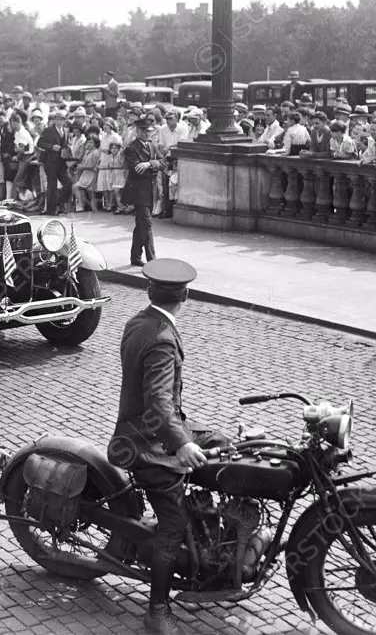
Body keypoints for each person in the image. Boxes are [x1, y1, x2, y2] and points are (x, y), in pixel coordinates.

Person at [107, 259, 233, 635]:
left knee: (227, 445)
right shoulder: (162, 337)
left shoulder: (140, 321)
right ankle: (157, 610)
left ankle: (214, 535)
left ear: (150, 293)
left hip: (153, 427)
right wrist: (180, 443)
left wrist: (185, 433)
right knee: (172, 525)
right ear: (186, 296)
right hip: (145, 443)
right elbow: (159, 403)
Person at [124, 118, 164, 267]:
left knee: (141, 225)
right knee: (146, 224)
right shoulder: (131, 148)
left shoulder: (153, 146)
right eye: (144, 131)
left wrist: (149, 163)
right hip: (138, 192)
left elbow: (164, 162)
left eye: (149, 131)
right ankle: (151, 260)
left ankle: (135, 257)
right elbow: (136, 168)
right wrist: (153, 165)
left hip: (151, 190)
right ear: (138, 131)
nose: (147, 134)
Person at [36, 111, 74, 215]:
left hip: (61, 162)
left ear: (64, 121)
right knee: (52, 186)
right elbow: (40, 143)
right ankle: (51, 210)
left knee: (68, 183)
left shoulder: (66, 130)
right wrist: (51, 147)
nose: (59, 121)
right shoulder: (49, 130)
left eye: (61, 119)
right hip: (50, 162)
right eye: (57, 119)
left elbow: (64, 144)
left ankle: (59, 203)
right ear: (54, 120)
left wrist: (68, 147)